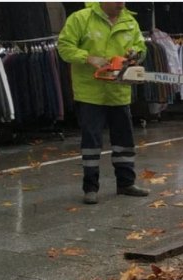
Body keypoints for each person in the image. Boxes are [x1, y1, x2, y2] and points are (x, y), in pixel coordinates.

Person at [58, 2, 149, 204]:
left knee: (124, 139)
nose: (121, 4)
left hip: (119, 90)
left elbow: (141, 47)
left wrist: (135, 54)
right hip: (90, 92)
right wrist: (88, 58)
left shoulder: (129, 21)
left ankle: (126, 182)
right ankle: (90, 187)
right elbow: (64, 47)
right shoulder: (81, 18)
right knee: (91, 140)